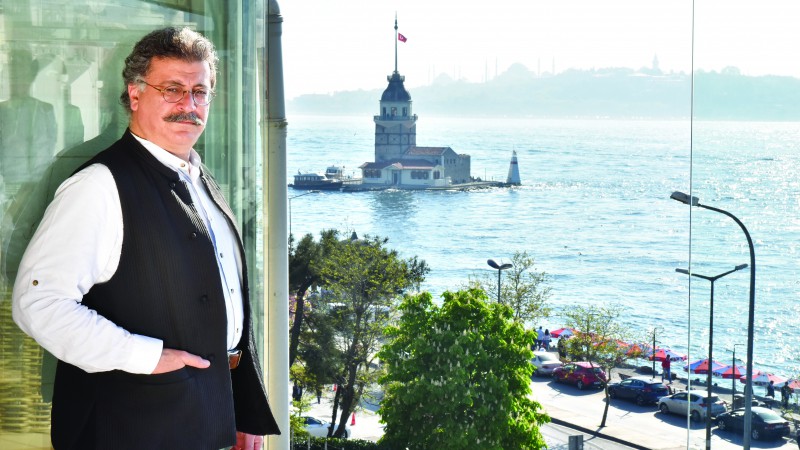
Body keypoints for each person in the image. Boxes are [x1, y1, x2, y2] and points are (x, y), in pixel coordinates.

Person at [11, 27, 279, 450]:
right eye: (172, 90)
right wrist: (146, 357)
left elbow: (226, 298)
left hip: (206, 414)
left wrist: (241, 410)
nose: (188, 105)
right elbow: (38, 304)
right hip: (128, 425)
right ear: (135, 95)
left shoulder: (199, 179)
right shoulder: (98, 186)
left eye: (200, 92)